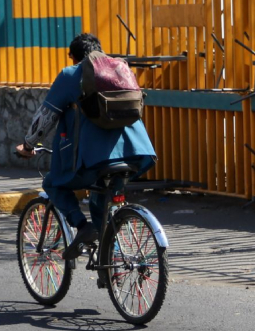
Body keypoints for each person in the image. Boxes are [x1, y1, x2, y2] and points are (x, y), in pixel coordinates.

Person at [15, 33, 157, 260]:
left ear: (73, 56)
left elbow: (46, 117)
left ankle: (83, 227)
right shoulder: (121, 69)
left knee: (52, 183)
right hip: (136, 154)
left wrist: (28, 145)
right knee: (103, 199)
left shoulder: (71, 75)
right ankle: (111, 261)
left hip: (94, 160)